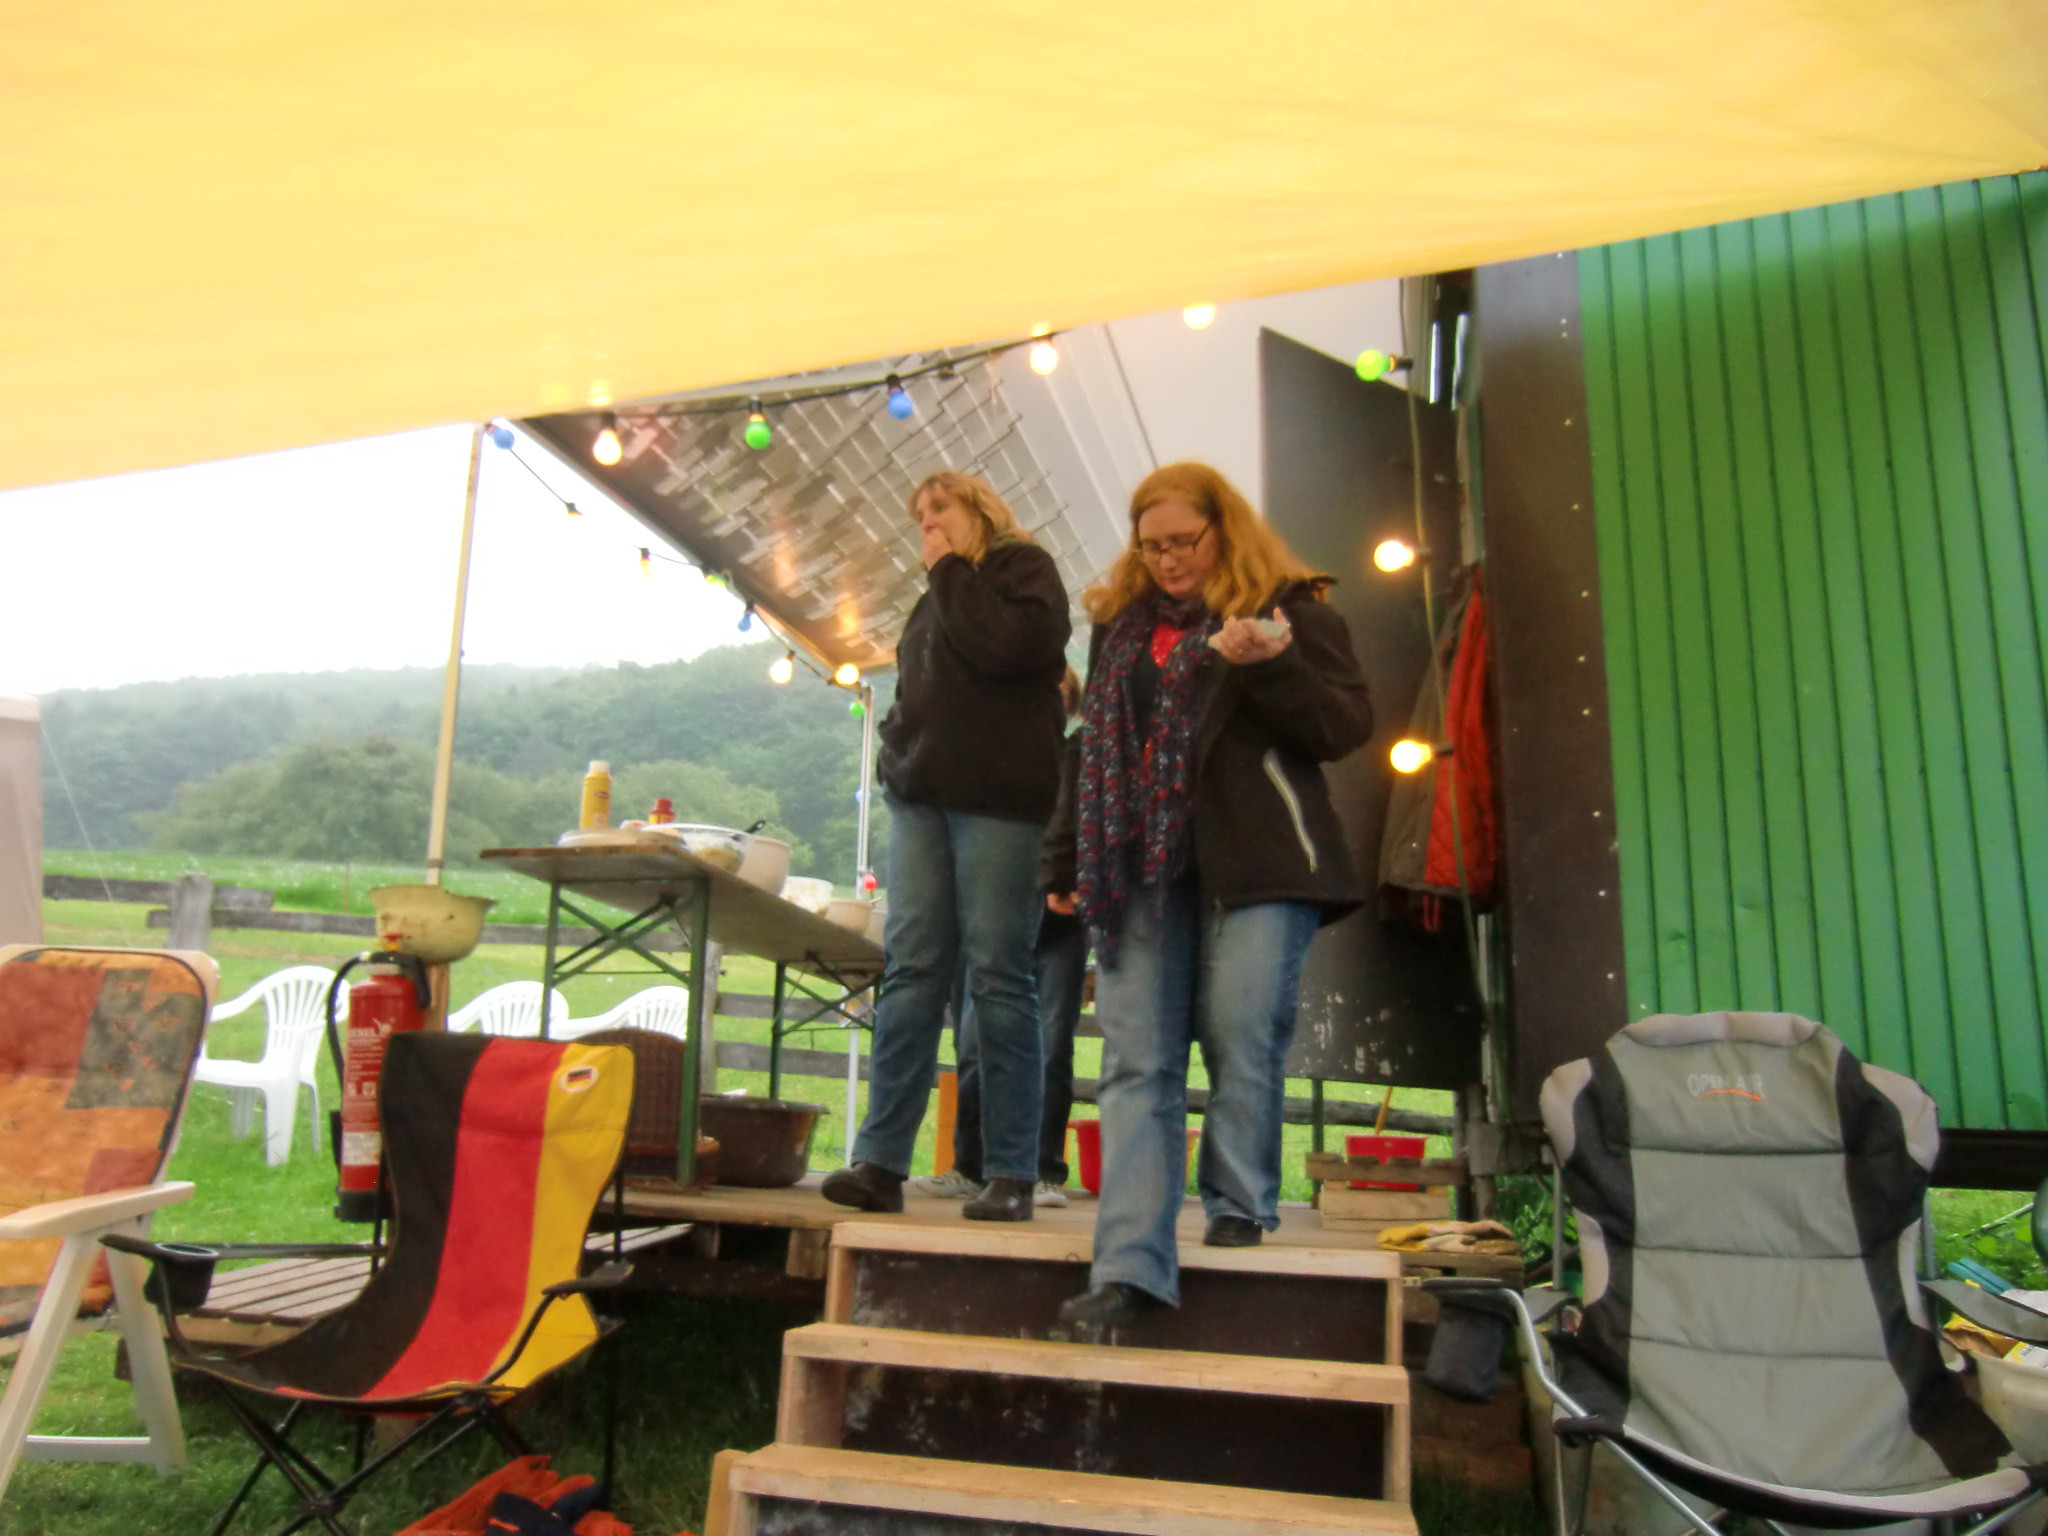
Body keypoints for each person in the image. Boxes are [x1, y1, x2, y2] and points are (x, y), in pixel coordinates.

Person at [1049, 461, 1372, 1326]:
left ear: (1223, 528)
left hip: (1259, 861)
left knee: (1241, 1032)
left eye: (1182, 541)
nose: (1166, 559)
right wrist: (1064, 859)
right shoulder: (1118, 626)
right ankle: (1128, 1268)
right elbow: (1092, 747)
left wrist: (1273, 665)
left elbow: (1343, 726)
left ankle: (1237, 1202)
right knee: (1136, 1060)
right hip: (1135, 867)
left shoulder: (1293, 610)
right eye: (1149, 546)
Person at [822, 470, 1071, 1222]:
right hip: (922, 799)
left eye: (940, 508)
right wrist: (893, 754)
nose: (927, 523)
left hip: (1000, 802)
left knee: (999, 973)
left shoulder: (1024, 571)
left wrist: (953, 569)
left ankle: (1012, 1170)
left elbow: (1004, 648)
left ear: (980, 509)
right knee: (911, 971)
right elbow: (916, 685)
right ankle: (880, 1162)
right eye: (920, 515)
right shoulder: (937, 595)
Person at [914, 667, 1090, 1207]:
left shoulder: (1080, 755)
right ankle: (971, 1166)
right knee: (972, 1043)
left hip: (1060, 922)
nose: (1052, 699)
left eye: (1062, 694)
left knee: (1051, 1045)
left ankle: (1043, 1170)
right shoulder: (990, 759)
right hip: (990, 917)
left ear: (1070, 704)